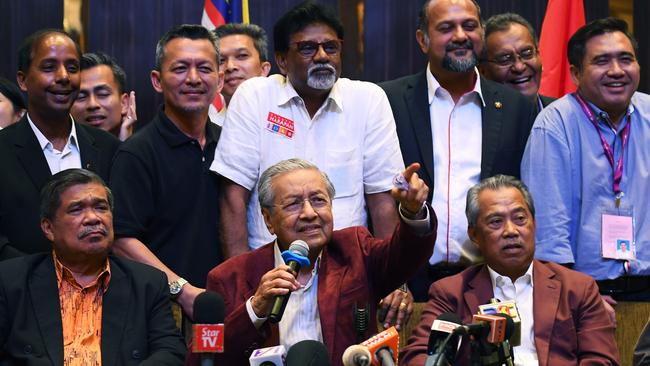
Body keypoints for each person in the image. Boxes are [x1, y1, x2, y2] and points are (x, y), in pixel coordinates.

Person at [212, 1, 411, 326]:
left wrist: (395, 279)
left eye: (330, 47)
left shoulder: (367, 100)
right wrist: (239, 281)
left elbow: (383, 200)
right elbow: (233, 197)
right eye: (307, 48)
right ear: (281, 60)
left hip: (350, 275)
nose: (321, 56)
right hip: (270, 272)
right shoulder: (255, 96)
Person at [192, 158, 436, 366]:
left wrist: (413, 211)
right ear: (268, 220)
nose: (309, 213)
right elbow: (203, 360)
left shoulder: (355, 250)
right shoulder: (229, 277)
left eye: (319, 200)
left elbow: (405, 255)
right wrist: (255, 310)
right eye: (293, 204)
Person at [379, 0, 536, 301]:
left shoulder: (515, 107)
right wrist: (392, 281)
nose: (461, 35)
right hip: (408, 286)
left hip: (491, 286)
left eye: (469, 25)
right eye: (446, 28)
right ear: (423, 39)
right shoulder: (388, 101)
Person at [401, 175, 619, 366]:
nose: (511, 231)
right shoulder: (451, 293)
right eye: (496, 222)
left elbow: (602, 359)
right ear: (475, 235)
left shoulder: (578, 289)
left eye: (520, 219)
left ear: (534, 224)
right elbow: (419, 356)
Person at [521, 18, 650, 316]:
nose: (617, 71)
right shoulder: (554, 125)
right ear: (576, 73)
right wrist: (573, 296)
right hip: (586, 295)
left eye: (626, 59)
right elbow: (549, 229)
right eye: (602, 61)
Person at [0, 168, 185, 365]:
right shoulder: (11, 281)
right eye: (76, 209)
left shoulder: (147, 283)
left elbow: (170, 351)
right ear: (49, 228)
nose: (93, 218)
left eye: (101, 207)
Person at [109, 24, 224, 319]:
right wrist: (181, 290)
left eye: (205, 68)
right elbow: (121, 240)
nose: (194, 79)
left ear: (220, 80)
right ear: (157, 81)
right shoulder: (137, 152)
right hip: (161, 310)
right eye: (181, 68)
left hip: (226, 305)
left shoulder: (231, 142)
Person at [0, 29, 120, 260]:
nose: (63, 76)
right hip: (17, 290)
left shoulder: (109, 148)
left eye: (73, 68)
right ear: (23, 80)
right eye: (49, 67)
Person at [479, 13, 555, 113]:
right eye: (505, 59)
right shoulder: (477, 122)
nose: (519, 67)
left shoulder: (563, 115)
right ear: (483, 71)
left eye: (527, 53)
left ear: (539, 55)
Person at [208, 23, 271, 126]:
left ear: (263, 69)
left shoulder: (290, 117)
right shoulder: (208, 130)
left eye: (242, 56)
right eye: (221, 60)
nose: (230, 67)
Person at [71, 52, 137, 141]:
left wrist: (126, 145)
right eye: (81, 97)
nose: (92, 104)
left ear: (124, 103)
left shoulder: (146, 150)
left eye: (103, 94)